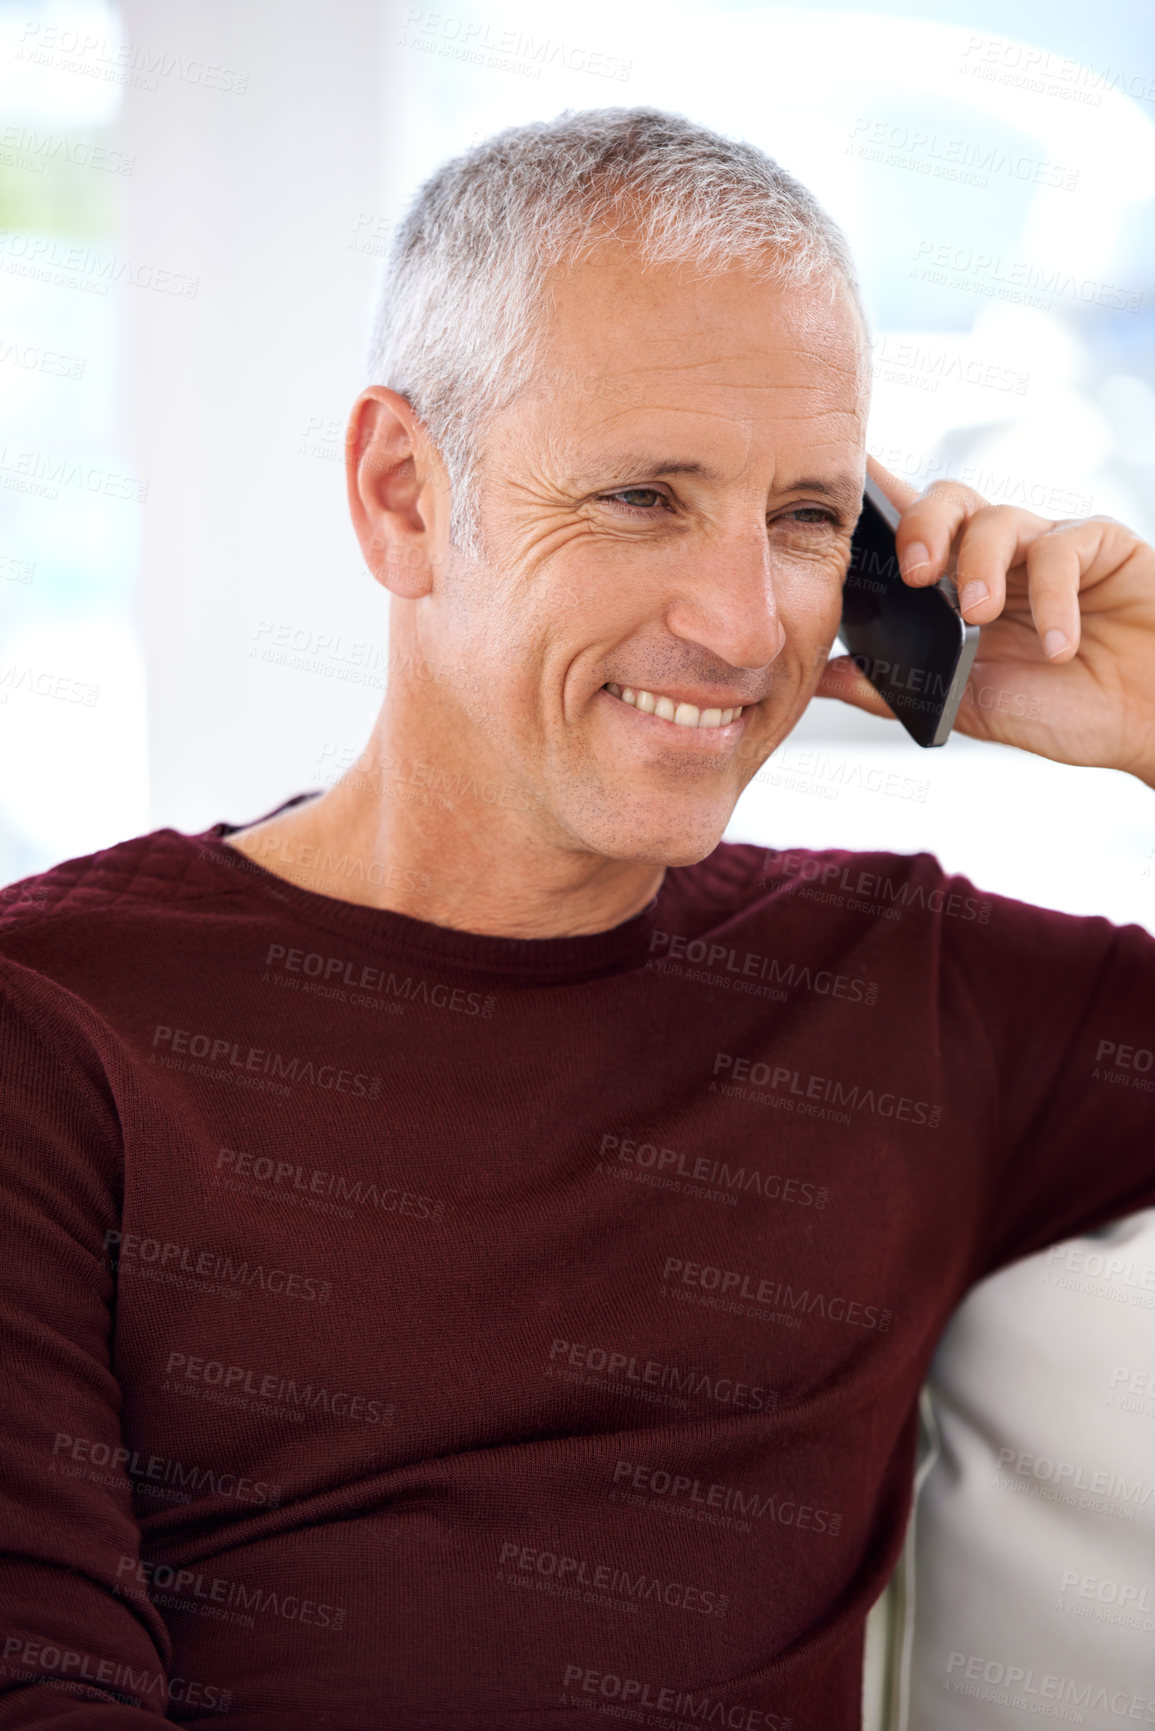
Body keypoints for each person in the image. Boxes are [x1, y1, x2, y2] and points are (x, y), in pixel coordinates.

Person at [1, 107, 1152, 1731]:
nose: (745, 622)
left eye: (810, 518)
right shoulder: (54, 1028)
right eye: (640, 497)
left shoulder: (909, 993)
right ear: (404, 495)